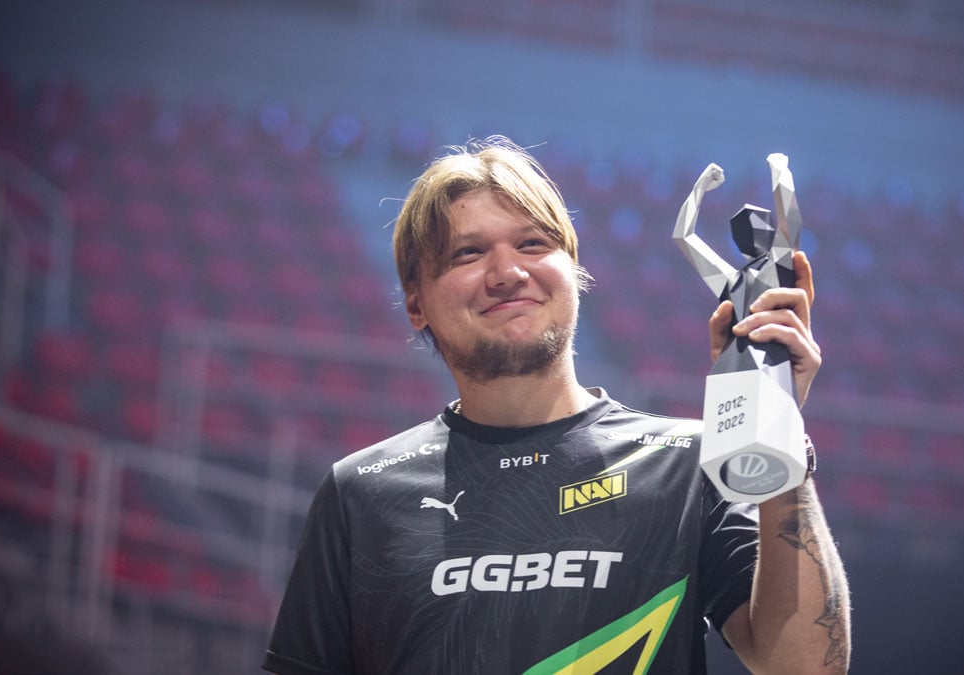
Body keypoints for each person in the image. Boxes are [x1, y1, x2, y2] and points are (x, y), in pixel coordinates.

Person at [262, 136, 850, 674]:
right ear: (415, 303)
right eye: (467, 255)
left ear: (574, 270)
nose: (507, 273)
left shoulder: (688, 464)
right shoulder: (360, 492)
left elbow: (805, 669)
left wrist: (775, 422)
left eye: (533, 243)